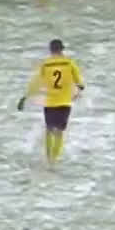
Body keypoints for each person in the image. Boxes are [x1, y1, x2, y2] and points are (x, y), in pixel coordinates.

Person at [17, 38, 84, 166]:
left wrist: (25, 97)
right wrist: (78, 92)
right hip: (65, 102)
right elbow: (80, 82)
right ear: (62, 50)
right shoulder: (69, 63)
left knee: (49, 130)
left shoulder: (46, 65)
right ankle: (54, 160)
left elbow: (35, 83)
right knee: (59, 132)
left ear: (50, 50)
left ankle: (48, 159)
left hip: (50, 102)